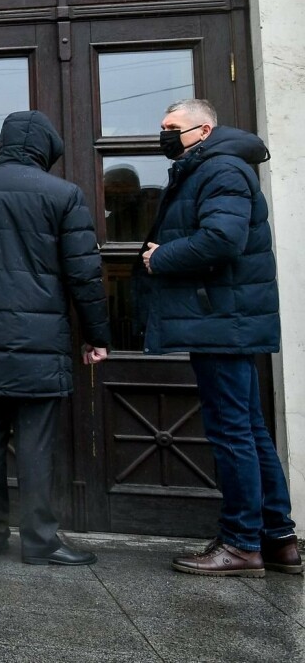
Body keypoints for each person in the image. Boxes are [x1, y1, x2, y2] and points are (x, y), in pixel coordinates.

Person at [0, 110, 110, 566]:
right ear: (44, 151)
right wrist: (96, 336)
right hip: (41, 345)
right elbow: (85, 276)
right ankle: (40, 541)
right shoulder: (64, 195)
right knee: (35, 447)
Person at [140, 99, 296, 577]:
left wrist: (159, 257)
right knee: (248, 429)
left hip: (221, 321)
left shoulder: (220, 170)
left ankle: (241, 543)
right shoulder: (212, 167)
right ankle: (278, 539)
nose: (164, 134)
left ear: (203, 130)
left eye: (172, 127)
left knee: (232, 432)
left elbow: (222, 239)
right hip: (225, 319)